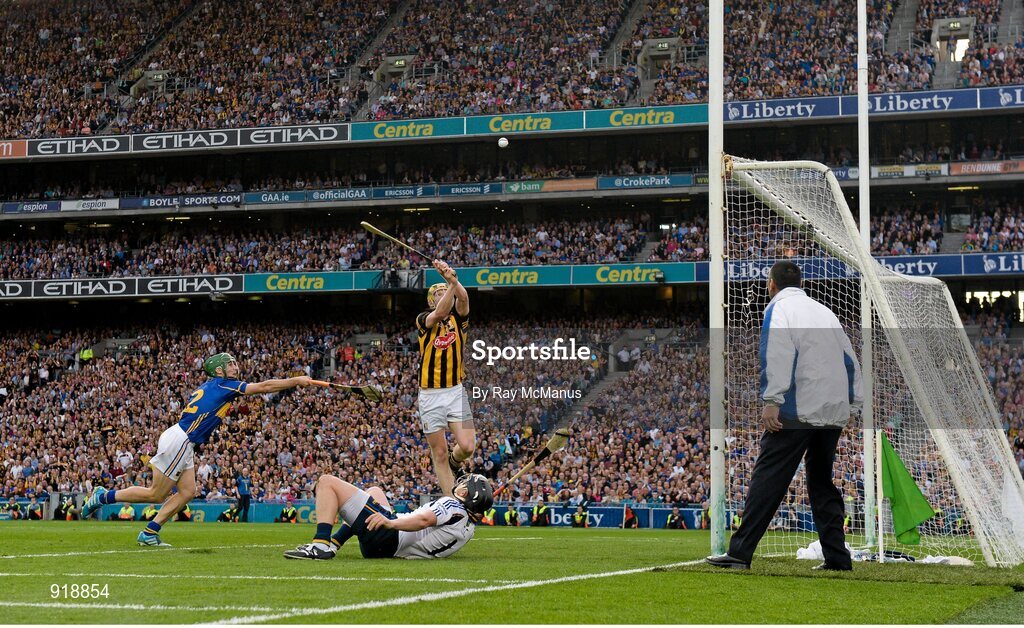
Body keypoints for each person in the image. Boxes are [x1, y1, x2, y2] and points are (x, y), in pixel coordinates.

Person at [707, 261, 862, 571]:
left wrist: (772, 400)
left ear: (771, 284)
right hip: (832, 410)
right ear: (800, 283)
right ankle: (837, 557)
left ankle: (739, 553)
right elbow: (850, 359)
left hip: (797, 408)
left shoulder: (779, 309)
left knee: (769, 475)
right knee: (821, 481)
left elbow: (777, 353)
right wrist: (854, 403)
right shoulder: (825, 312)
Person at [81, 352, 313, 546]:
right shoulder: (224, 384)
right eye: (229, 363)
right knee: (156, 494)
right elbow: (265, 386)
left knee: (188, 491)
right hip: (181, 439)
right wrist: (295, 381)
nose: (235, 366)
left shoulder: (216, 385)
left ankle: (150, 532)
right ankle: (104, 496)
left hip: (185, 441)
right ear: (219, 370)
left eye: (234, 362)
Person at [283, 473, 492, 561]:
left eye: (466, 484)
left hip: (389, 537)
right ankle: (335, 543)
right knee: (375, 491)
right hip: (392, 547)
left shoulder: (452, 505)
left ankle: (320, 545)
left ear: (465, 493)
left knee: (326, 481)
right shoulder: (468, 527)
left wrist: (390, 522)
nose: (461, 484)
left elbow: (424, 520)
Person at [415, 260, 474, 496]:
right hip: (429, 395)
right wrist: (450, 281)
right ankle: (451, 505)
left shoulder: (459, 320)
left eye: (444, 292)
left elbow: (464, 299)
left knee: (468, 447)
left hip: (455, 391)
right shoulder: (423, 319)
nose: (442, 296)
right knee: (438, 453)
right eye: (437, 294)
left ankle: (455, 462)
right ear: (431, 301)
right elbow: (440, 312)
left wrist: (453, 281)